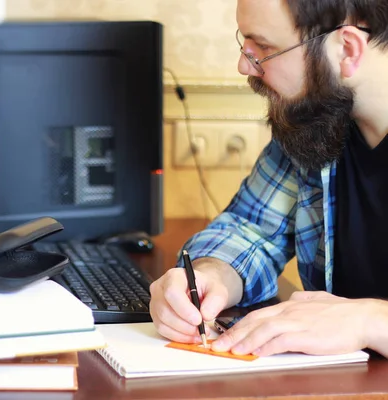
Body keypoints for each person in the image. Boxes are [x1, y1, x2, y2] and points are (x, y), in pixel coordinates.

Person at [149, 0, 388, 358]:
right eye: (245, 44)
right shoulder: (316, 120)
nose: (245, 65)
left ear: (347, 49)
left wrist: (370, 320)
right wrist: (209, 276)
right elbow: (251, 229)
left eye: (264, 48)